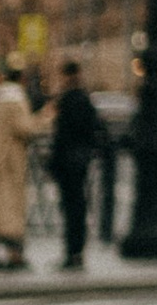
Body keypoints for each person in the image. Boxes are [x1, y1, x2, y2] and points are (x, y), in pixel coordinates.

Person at [47, 59, 111, 271]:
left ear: (66, 76)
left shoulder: (66, 100)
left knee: (70, 207)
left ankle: (72, 252)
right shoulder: (85, 99)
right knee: (78, 207)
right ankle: (77, 252)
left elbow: (61, 135)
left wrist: (54, 162)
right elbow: (95, 130)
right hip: (80, 161)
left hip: (67, 161)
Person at [0, 65, 37, 274]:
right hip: (11, 164)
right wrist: (45, 118)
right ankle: (15, 255)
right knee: (11, 211)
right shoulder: (16, 101)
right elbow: (25, 128)